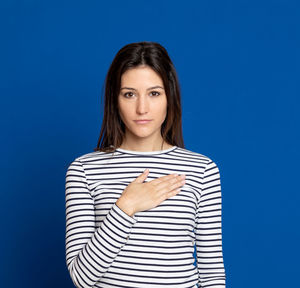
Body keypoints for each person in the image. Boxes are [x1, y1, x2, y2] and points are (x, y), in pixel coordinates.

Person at [65, 41, 226, 288]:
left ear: (169, 97)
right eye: (129, 94)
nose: (142, 108)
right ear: (115, 100)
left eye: (154, 93)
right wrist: (126, 206)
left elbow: (212, 272)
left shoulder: (202, 170)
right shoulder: (84, 170)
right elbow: (81, 278)